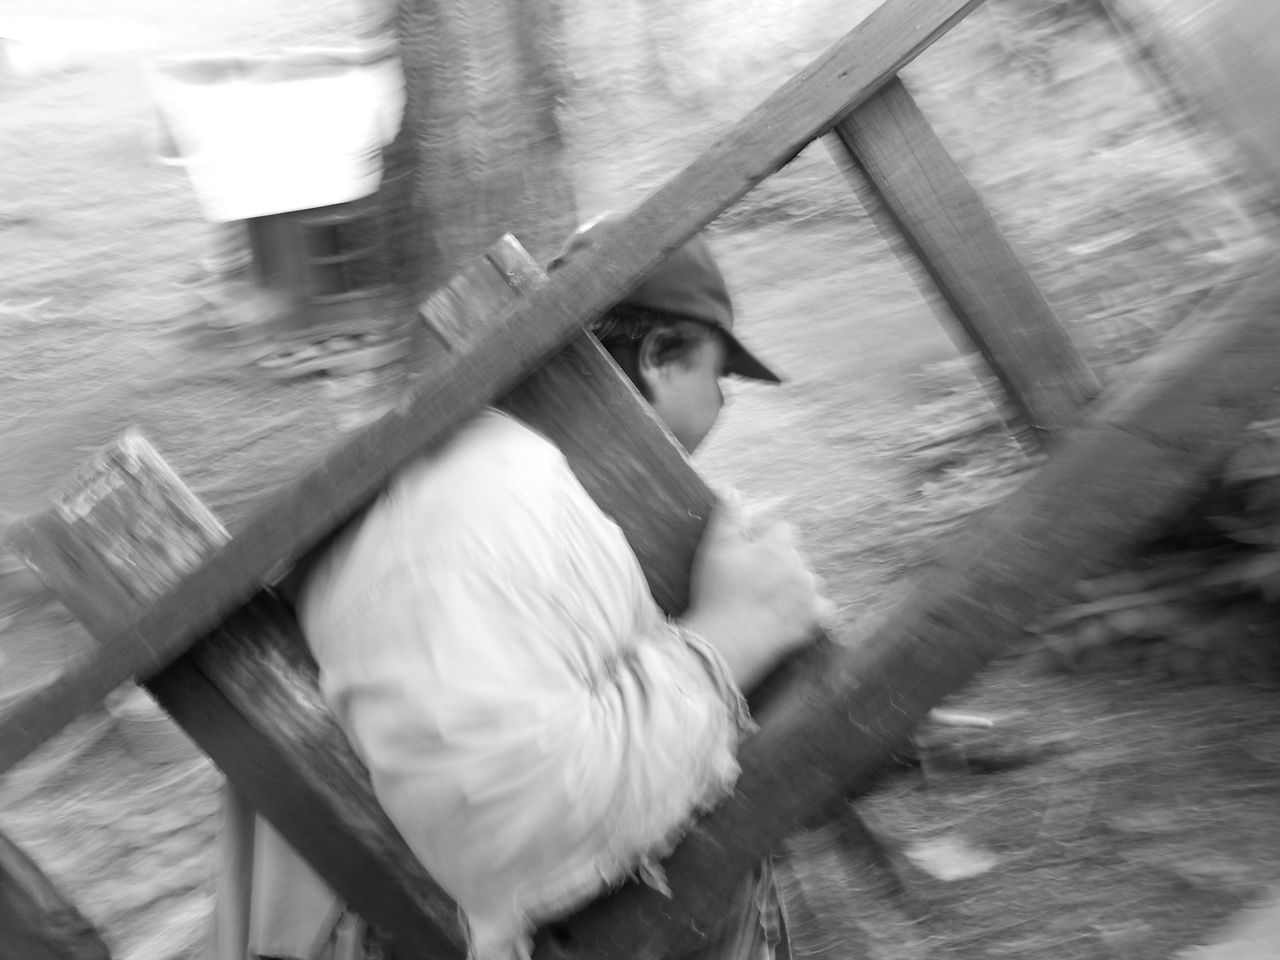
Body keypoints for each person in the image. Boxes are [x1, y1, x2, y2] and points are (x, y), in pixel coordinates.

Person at [213, 218, 830, 960]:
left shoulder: (500, 474)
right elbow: (513, 830)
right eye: (719, 377)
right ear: (661, 356)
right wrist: (731, 637)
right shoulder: (476, 510)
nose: (723, 409)